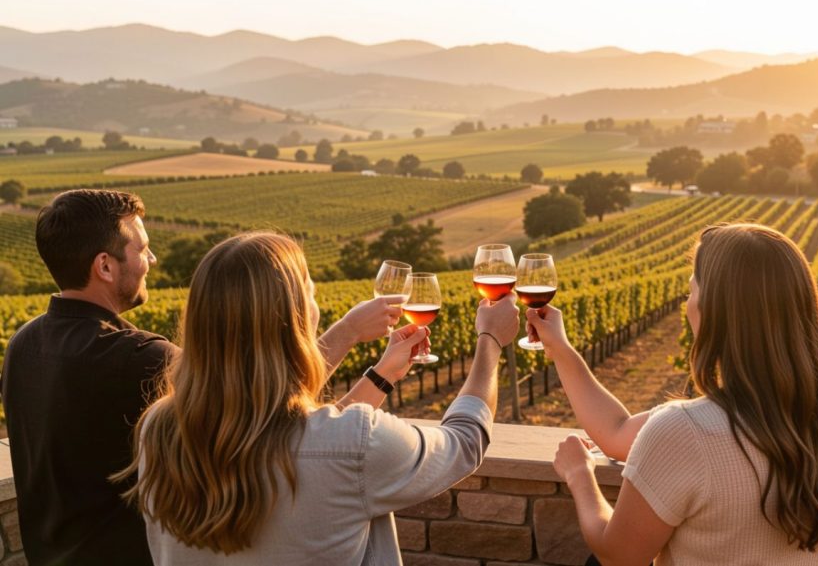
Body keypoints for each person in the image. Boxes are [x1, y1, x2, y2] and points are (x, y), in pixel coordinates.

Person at [0, 190, 402, 566]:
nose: (152, 258)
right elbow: (266, 411)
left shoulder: (22, 344)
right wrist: (348, 332)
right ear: (104, 266)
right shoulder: (143, 359)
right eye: (141, 249)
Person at [116, 232, 520, 564]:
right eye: (310, 292)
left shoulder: (159, 431)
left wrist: (380, 376)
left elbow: (286, 429)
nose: (317, 305)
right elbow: (464, 442)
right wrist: (490, 340)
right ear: (295, 318)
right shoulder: (354, 442)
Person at [533, 224, 818, 565]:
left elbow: (618, 556)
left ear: (712, 310)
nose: (687, 304)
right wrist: (560, 348)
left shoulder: (685, 430)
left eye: (691, 291)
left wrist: (580, 475)